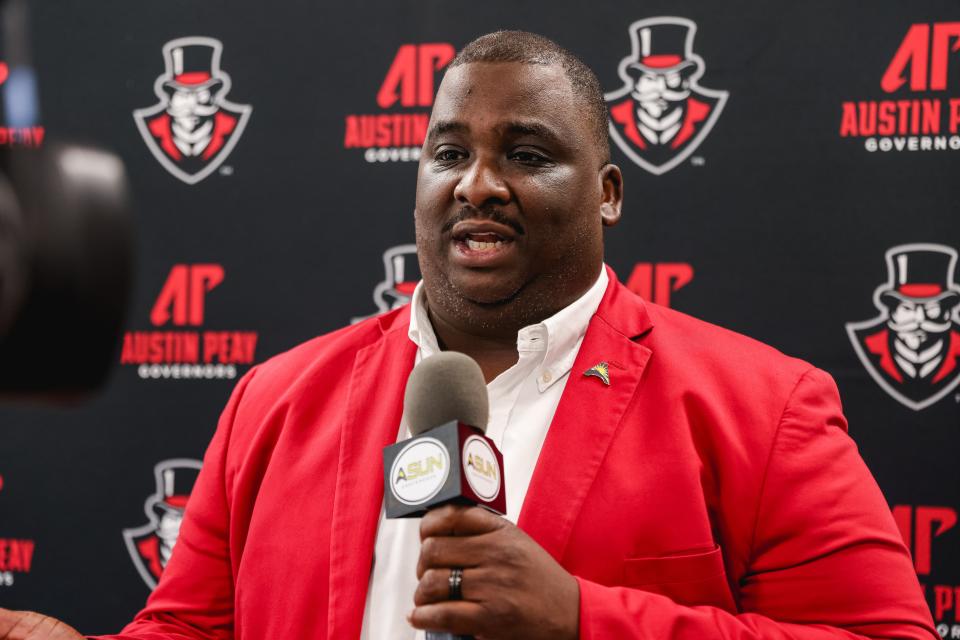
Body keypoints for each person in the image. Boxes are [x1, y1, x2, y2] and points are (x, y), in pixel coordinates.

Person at [0, 30, 936, 640]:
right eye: (450, 153)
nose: (476, 184)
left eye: (525, 155)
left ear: (607, 195)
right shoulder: (273, 399)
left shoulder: (765, 407)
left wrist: (582, 618)